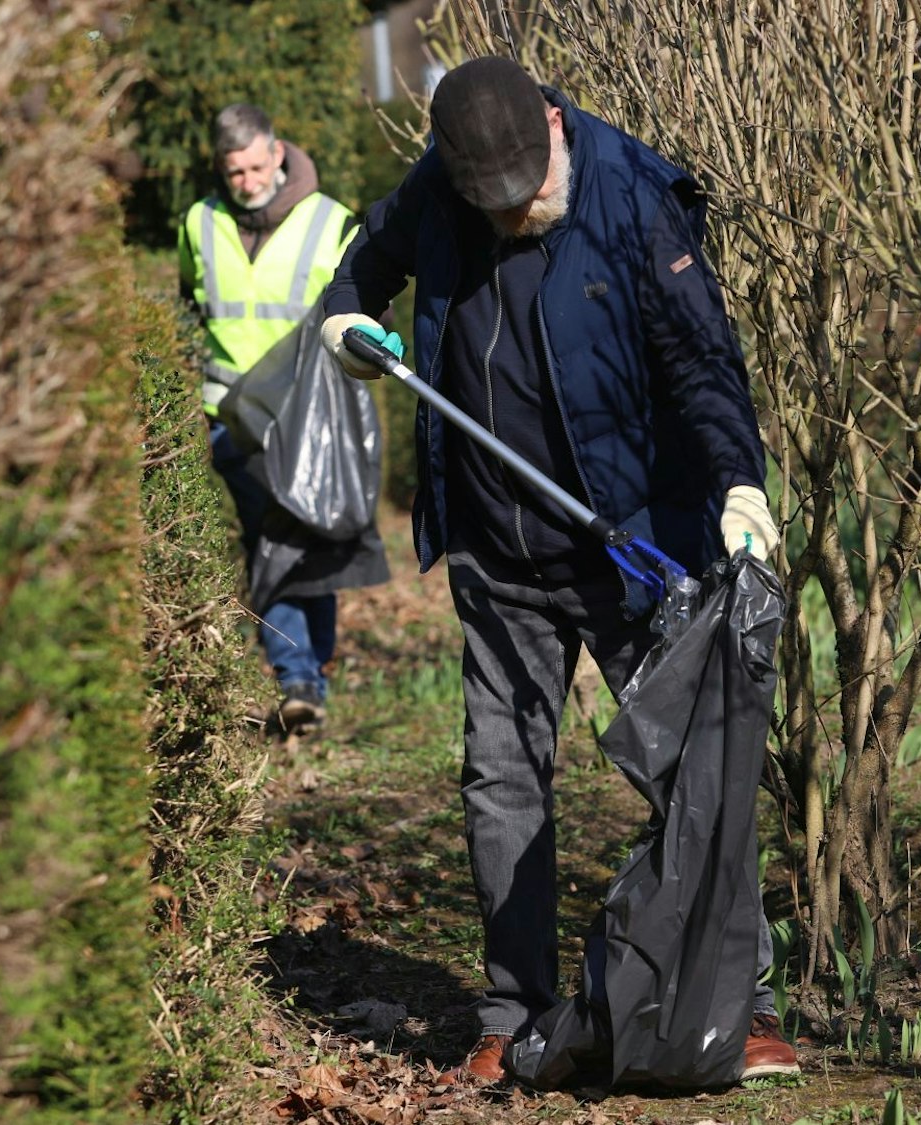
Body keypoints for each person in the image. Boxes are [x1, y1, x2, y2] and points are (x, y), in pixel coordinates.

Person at [316, 57, 794, 1083]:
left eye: (526, 189)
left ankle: (735, 1006)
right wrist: (345, 321)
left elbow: (703, 364)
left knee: (688, 774)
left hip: (632, 544)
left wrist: (738, 488)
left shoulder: (631, 196)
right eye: (490, 198)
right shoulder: (439, 191)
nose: (513, 210)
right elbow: (364, 266)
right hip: (496, 549)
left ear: (550, 125)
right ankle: (511, 1014)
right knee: (499, 781)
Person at [180, 103, 385, 734]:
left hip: (303, 414)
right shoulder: (199, 221)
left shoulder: (329, 222)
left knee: (303, 536)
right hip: (230, 415)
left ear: (277, 151)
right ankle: (302, 676)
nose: (243, 181)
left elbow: (358, 308)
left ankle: (306, 673)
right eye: (231, 171)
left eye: (252, 166)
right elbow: (187, 305)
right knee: (274, 538)